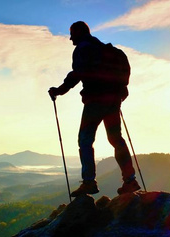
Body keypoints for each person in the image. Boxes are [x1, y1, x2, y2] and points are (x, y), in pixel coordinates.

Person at [48, 21, 141, 197]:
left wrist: (59, 90)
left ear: (79, 33)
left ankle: (89, 182)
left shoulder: (83, 49)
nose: (70, 38)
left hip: (95, 101)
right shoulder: (106, 50)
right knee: (116, 139)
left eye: (72, 34)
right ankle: (130, 180)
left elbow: (77, 74)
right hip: (113, 100)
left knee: (85, 139)